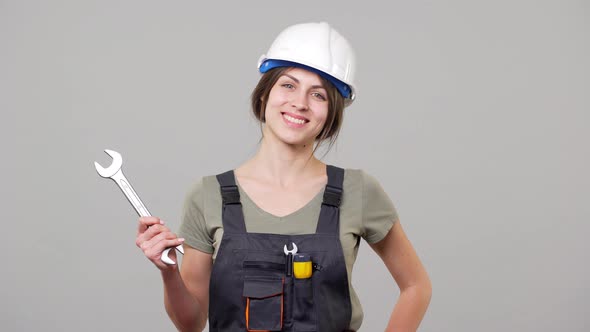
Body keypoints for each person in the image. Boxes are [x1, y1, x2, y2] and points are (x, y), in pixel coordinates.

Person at [135, 22, 432, 332]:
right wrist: (167, 271)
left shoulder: (357, 191)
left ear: (331, 113)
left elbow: (417, 287)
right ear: (265, 95)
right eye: (288, 85)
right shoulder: (208, 195)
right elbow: (191, 323)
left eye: (318, 95)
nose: (300, 103)